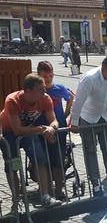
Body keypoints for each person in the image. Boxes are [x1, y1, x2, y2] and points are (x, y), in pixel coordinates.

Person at [0, 74, 61, 207]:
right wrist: (41, 129)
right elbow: (17, 130)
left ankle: (45, 196)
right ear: (28, 91)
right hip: (8, 132)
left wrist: (52, 128)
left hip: (29, 130)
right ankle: (16, 200)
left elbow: (54, 120)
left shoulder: (45, 99)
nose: (45, 91)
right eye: (41, 89)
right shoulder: (13, 100)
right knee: (12, 165)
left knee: (40, 159)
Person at [71, 56, 107, 196]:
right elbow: (78, 101)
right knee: (90, 151)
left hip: (105, 116)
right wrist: (74, 122)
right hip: (87, 116)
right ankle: (95, 184)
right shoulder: (89, 78)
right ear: (103, 69)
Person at [36, 61, 73, 199]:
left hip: (59, 129)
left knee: (58, 159)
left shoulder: (59, 88)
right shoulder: (37, 90)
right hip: (41, 129)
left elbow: (71, 98)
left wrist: (66, 113)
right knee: (43, 161)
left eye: (50, 76)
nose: (48, 79)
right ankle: (45, 188)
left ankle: (58, 189)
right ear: (39, 75)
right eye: (45, 76)